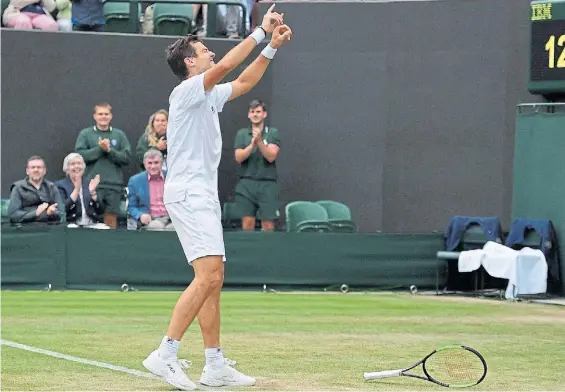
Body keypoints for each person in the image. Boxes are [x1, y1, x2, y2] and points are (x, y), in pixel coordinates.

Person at [141, 4, 292, 391]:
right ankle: (165, 354)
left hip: (199, 194)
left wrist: (271, 47)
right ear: (191, 62)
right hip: (190, 193)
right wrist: (260, 31)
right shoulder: (187, 90)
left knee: (212, 279)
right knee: (208, 277)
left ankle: (214, 364)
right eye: (204, 48)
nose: (209, 50)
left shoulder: (206, 95)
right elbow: (226, 67)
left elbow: (243, 83)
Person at [75, 102, 131, 229]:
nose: (103, 117)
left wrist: (109, 151)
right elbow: (79, 157)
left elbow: (126, 158)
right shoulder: (86, 134)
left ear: (111, 116)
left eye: (106, 114)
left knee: (111, 222)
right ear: (94, 116)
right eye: (100, 114)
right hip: (92, 186)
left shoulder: (119, 135)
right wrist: (99, 149)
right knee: (93, 220)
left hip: (114, 186)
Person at [234, 99, 281, 231]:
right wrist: (252, 144)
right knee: (247, 224)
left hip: (267, 184)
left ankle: (268, 250)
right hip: (247, 183)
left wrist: (260, 142)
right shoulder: (242, 134)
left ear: (264, 114)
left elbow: (271, 156)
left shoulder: (272, 133)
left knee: (268, 224)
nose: (255, 114)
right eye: (252, 112)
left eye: (258, 112)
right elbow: (238, 157)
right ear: (249, 115)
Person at [56, 152, 109, 229]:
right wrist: (76, 190)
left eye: (79, 163)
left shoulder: (89, 183)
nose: (76, 166)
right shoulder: (60, 185)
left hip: (91, 224)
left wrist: (93, 194)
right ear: (66, 168)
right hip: (71, 224)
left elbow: (100, 211)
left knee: (105, 228)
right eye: (72, 164)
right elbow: (62, 209)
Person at [8, 155, 65, 225]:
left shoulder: (51, 187)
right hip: (25, 230)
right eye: (33, 167)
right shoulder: (18, 188)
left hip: (49, 229)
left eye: (39, 167)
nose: (36, 170)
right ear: (27, 171)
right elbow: (13, 215)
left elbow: (61, 213)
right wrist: (35, 213)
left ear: (44, 171)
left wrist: (50, 213)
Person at [127, 150, 174, 231]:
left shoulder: (171, 178)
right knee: (157, 226)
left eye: (156, 163)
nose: (153, 166)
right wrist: (140, 215)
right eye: (150, 163)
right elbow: (131, 207)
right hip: (150, 219)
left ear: (162, 163)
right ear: (144, 164)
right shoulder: (135, 181)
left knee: (175, 229)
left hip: (171, 218)